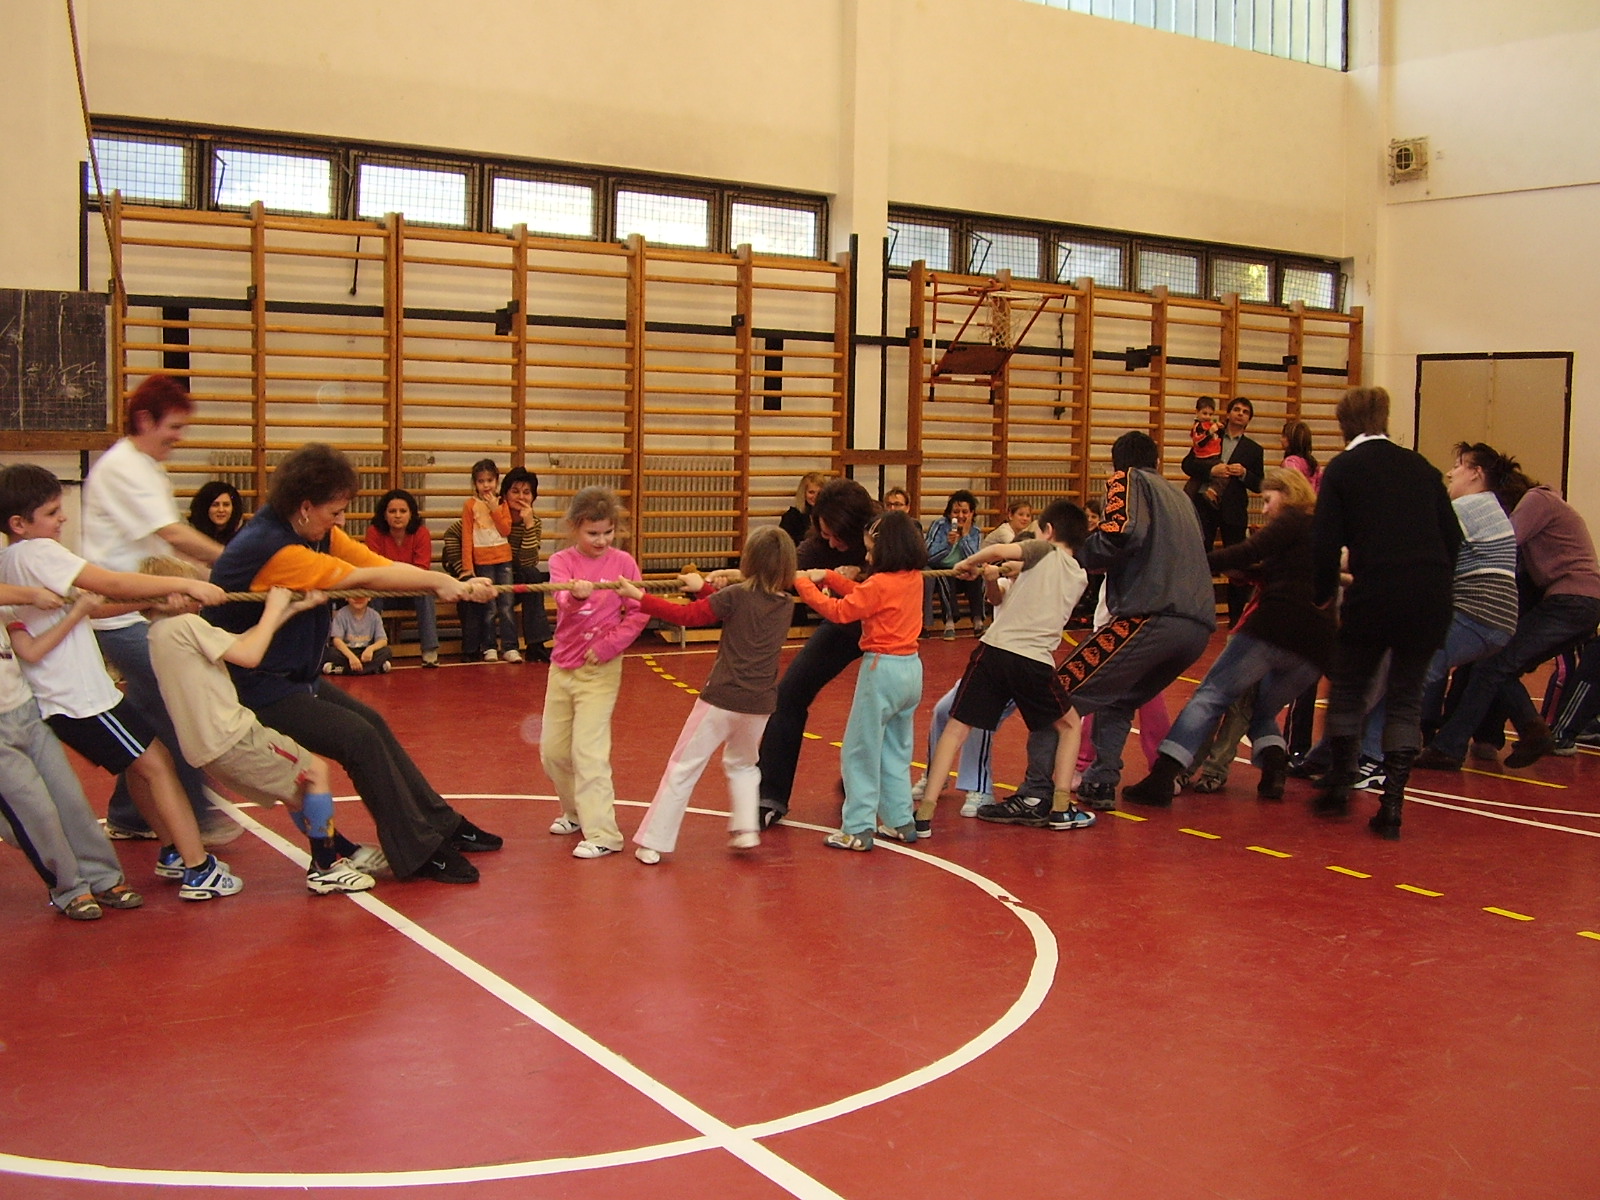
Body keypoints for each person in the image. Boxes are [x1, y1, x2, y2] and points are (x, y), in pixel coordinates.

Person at [207, 443, 503, 883]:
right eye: (336, 512)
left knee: (373, 724)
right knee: (358, 739)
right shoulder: (274, 548)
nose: (341, 521)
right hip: (255, 686)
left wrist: (449, 582)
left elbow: (374, 562)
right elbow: (360, 578)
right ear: (305, 507)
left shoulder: (311, 529)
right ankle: (418, 851)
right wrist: (438, 582)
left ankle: (441, 824)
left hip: (296, 677)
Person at [0, 463, 238, 901]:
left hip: (76, 697)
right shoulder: (38, 553)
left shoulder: (11, 560)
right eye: (52, 512)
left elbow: (88, 607)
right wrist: (185, 583)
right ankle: (197, 868)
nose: (62, 518)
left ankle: (174, 851)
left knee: (145, 764)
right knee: (156, 764)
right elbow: (109, 582)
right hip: (80, 699)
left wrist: (154, 600)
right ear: (19, 523)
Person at [146, 574, 376, 895]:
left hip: (207, 748)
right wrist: (273, 607)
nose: (199, 600)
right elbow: (250, 655)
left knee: (297, 792)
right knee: (315, 773)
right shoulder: (186, 624)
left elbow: (241, 641)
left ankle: (344, 851)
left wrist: (292, 609)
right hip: (233, 735)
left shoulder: (158, 633)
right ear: (174, 596)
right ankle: (326, 867)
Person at [80, 374, 233, 844]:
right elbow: (172, 534)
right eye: (174, 427)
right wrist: (235, 564)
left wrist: (204, 578)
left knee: (148, 708)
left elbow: (163, 548)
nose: (179, 438)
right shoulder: (124, 467)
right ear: (146, 420)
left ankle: (130, 813)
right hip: (120, 613)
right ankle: (195, 816)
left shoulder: (147, 467)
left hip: (144, 609)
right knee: (177, 701)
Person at [1123, 467, 1334, 805]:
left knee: (1211, 695)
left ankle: (1163, 775)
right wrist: (1248, 573)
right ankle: (1274, 764)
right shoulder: (1322, 530)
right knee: (1259, 711)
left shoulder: (1292, 520)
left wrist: (1197, 561)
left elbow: (1249, 550)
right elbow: (1292, 573)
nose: (1265, 508)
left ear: (1289, 494)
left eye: (1268, 500)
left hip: (1275, 626)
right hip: (1314, 646)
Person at [1309, 387, 1460, 838]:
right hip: (1430, 596)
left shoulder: (1343, 469)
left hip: (1376, 593)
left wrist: (1322, 594)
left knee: (1349, 688)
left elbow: (1324, 542)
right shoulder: (1421, 466)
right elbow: (1452, 538)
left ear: (1344, 425)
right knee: (1406, 697)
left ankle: (1340, 782)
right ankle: (1392, 802)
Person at [615, 526, 797, 864]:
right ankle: (746, 828)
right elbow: (733, 608)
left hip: (721, 699)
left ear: (749, 560)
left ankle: (654, 841)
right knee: (744, 764)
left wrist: (640, 597)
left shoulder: (736, 596)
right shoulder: (785, 604)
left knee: (683, 767)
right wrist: (703, 589)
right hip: (759, 705)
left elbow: (688, 616)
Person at [1414, 447, 1600, 772]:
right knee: (1500, 666)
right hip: (1578, 601)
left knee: (1493, 664)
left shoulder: (1537, 500)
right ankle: (1509, 733)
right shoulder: (1549, 505)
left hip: (1570, 599)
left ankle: (1456, 745)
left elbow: (1502, 541)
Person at [917, 498, 1093, 835]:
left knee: (957, 727)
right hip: (1034, 662)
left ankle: (924, 814)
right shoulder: (1079, 575)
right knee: (1070, 725)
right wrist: (995, 574)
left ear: (1048, 531)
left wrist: (967, 563)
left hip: (995, 652)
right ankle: (1059, 809)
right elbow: (1015, 571)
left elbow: (998, 552)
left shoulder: (1044, 550)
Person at [1064, 431, 1216, 808]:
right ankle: (1101, 780)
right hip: (1197, 624)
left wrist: (1072, 553)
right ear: (1157, 461)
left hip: (1153, 613)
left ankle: (1037, 789)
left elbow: (1122, 532)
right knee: (1118, 697)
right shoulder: (1181, 497)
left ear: (1118, 464)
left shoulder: (1128, 479)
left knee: (1061, 688)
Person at [0, 583, 143, 920]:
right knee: (36, 813)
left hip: (25, 713)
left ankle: (103, 878)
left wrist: (77, 611)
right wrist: (33, 594)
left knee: (71, 800)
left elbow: (30, 650)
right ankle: (69, 888)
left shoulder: (6, 609)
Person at [793, 511, 927, 851]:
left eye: (870, 550)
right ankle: (899, 818)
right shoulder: (913, 578)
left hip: (882, 671)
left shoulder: (881, 584)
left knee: (860, 750)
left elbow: (841, 611)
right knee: (896, 749)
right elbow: (865, 594)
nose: (866, 557)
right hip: (911, 670)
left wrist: (804, 584)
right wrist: (829, 577)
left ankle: (857, 826)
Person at [756, 478, 877, 828]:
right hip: (844, 625)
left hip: (886, 634)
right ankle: (770, 796)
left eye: (838, 537)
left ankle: (870, 787)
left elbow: (913, 564)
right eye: (825, 535)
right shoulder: (818, 546)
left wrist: (863, 573)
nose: (832, 543)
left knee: (878, 710)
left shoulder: (883, 534)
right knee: (788, 695)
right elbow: (786, 572)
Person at [542, 486, 649, 859]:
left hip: (600, 668)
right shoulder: (561, 561)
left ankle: (604, 833)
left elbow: (639, 611)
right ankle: (574, 812)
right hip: (562, 665)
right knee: (553, 751)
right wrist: (576, 596)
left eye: (608, 532)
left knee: (588, 750)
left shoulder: (623, 563)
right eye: (592, 533)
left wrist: (608, 646)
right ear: (575, 528)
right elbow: (561, 601)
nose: (601, 540)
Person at [1182, 396, 1264, 626]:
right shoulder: (1211, 434)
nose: (1240, 414)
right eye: (1236, 409)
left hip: (1233, 510)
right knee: (1200, 559)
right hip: (1204, 505)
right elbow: (1187, 464)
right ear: (1228, 414)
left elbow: (1259, 484)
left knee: (1237, 563)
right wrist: (1211, 471)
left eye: (1245, 412)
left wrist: (1244, 473)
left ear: (1249, 419)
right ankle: (1196, 612)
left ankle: (1236, 617)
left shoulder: (1254, 449)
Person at [365, 488, 440, 668]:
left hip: (411, 592)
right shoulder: (374, 532)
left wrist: (396, 576)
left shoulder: (421, 533)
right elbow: (374, 569)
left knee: (426, 592)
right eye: (392, 511)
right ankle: (371, 649)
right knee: (370, 593)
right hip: (383, 591)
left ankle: (430, 651)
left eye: (403, 511)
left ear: (411, 514)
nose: (397, 515)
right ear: (384, 515)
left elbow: (422, 570)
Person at [459, 458, 521, 663]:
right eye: (481, 481)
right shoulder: (470, 505)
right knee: (489, 606)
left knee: (506, 604)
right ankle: (490, 646)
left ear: (496, 481)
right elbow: (467, 537)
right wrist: (467, 567)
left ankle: (510, 646)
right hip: (483, 561)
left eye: (490, 480)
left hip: (503, 559)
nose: (486, 485)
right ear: (475, 483)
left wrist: (495, 508)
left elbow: (505, 530)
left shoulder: (502, 503)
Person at [501, 466, 552, 662]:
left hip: (516, 581)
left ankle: (536, 645)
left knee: (533, 574)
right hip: (493, 578)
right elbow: (455, 532)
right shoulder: (494, 516)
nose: (521, 496)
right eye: (515, 491)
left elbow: (528, 562)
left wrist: (529, 525)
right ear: (504, 494)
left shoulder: (534, 522)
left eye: (526, 492)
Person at [924, 489, 982, 639]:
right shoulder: (939, 526)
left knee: (978, 575)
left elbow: (975, 559)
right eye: (956, 512)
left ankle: (978, 621)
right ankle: (949, 623)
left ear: (972, 513)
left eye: (965, 512)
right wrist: (947, 545)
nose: (960, 516)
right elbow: (928, 555)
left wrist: (965, 537)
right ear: (949, 513)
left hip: (964, 571)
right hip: (943, 569)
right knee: (945, 576)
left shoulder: (975, 531)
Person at [324, 595, 391, 675]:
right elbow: (336, 640)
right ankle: (374, 669)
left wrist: (371, 649)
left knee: (387, 651)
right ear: (346, 597)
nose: (358, 599)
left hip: (366, 653)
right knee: (330, 652)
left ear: (369, 598)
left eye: (362, 596)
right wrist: (351, 657)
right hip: (347, 651)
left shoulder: (375, 615)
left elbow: (383, 640)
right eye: (354, 596)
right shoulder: (341, 614)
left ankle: (343, 670)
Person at [1182, 396, 1224, 510]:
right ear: (1197, 412)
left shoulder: (1209, 425)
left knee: (1196, 479)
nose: (1207, 417)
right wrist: (1210, 432)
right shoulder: (1198, 426)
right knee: (1224, 473)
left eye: (1210, 414)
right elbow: (1199, 442)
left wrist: (1218, 427)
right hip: (1205, 457)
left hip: (1209, 455)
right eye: (1204, 413)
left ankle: (1186, 497)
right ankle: (1212, 491)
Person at [780, 471, 829, 547]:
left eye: (819, 493)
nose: (816, 496)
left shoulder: (830, 515)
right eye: (811, 492)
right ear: (803, 493)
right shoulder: (791, 517)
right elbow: (785, 546)